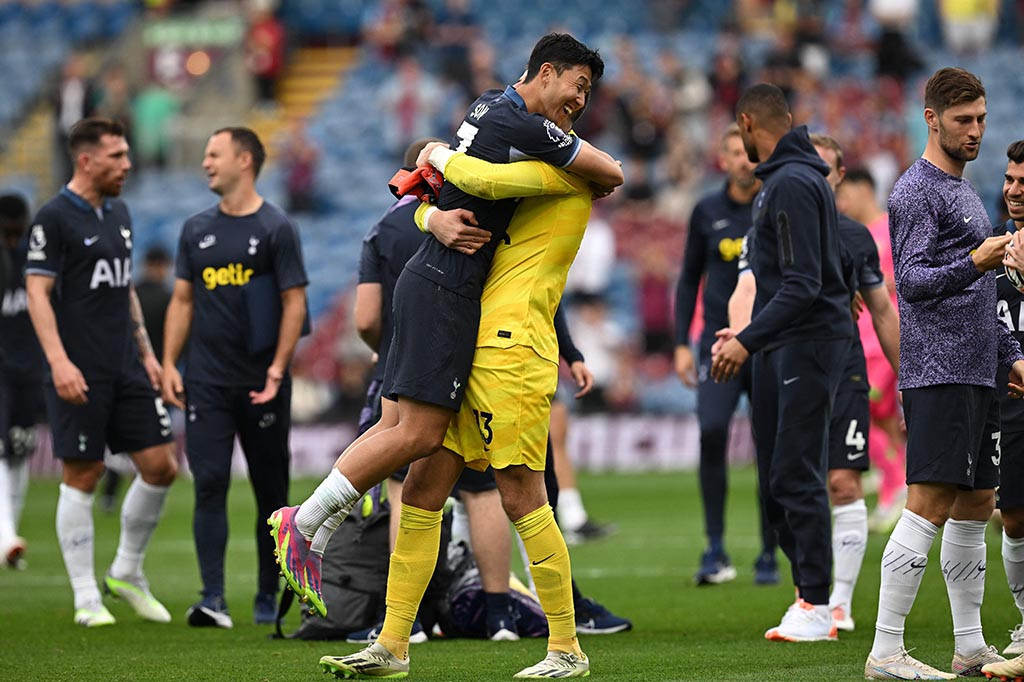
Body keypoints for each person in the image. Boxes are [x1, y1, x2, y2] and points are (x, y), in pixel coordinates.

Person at [268, 32, 621, 640]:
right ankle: (306, 523)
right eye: (577, 86)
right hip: (449, 291)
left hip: (435, 286)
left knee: (409, 446)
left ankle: (362, 595)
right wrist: (440, 167)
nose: (580, 102)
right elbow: (607, 171)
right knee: (426, 438)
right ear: (544, 72)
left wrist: (435, 166)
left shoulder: (486, 105)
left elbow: (445, 187)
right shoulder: (525, 124)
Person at [863, 67, 1024, 681]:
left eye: (981, 118)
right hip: (939, 368)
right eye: (963, 121)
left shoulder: (964, 188)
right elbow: (913, 284)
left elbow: (983, 290)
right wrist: (977, 257)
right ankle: (885, 650)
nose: (976, 130)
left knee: (976, 503)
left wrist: (1007, 352)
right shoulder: (915, 191)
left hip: (979, 368)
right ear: (931, 120)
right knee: (928, 501)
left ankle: (968, 644)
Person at [710, 84, 852, 642]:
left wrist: (747, 337)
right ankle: (809, 595)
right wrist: (751, 334)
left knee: (795, 472)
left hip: (808, 340)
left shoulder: (791, 182)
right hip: (785, 341)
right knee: (777, 477)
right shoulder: (787, 180)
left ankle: (818, 603)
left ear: (747, 123)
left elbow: (804, 284)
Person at [24, 117, 178, 627]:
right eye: (117, 156)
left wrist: (150, 356)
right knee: (83, 473)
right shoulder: (53, 218)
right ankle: (86, 596)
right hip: (78, 368)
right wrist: (59, 361)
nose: (128, 165)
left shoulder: (121, 212)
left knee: (160, 466)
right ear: (86, 159)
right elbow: (37, 293)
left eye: (127, 154)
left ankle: (127, 572)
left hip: (127, 365)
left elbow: (124, 287)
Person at [161, 127, 309, 628]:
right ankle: (213, 598)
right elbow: (182, 300)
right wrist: (168, 364)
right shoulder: (194, 229)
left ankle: (269, 592)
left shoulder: (276, 227)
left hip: (262, 383)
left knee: (271, 492)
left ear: (244, 160)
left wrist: (276, 370)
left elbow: (295, 303)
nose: (205, 163)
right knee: (209, 483)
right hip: (206, 381)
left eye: (213, 154)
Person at [673, 123, 778, 586]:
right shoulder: (706, 210)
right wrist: (680, 342)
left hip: (767, 343)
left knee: (770, 446)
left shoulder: (774, 206)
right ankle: (714, 546)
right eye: (734, 152)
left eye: (748, 152)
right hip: (716, 345)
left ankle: (771, 551)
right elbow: (687, 279)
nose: (743, 160)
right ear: (723, 159)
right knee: (712, 431)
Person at [808, 134, 901, 633]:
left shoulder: (867, 234)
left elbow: (884, 300)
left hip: (853, 358)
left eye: (829, 170)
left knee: (846, 475)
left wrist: (908, 373)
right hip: (791, 370)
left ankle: (837, 602)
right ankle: (808, 597)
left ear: (845, 179)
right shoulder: (776, 227)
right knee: (791, 491)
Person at [974, 142, 1024, 681]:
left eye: (1023, 184)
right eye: (1009, 180)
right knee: (1012, 516)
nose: (1013, 191)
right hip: (1007, 399)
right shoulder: (993, 246)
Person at [836, 167, 907, 532]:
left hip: (883, 334)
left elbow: (908, 279)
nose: (842, 200)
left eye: (847, 192)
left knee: (870, 406)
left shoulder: (890, 229)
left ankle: (895, 483)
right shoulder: (849, 233)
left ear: (865, 189)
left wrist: (877, 284)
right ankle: (896, 479)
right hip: (857, 336)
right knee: (875, 416)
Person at [100, 245, 174, 512]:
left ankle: (111, 493)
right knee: (153, 442)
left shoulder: (131, 295)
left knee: (122, 442)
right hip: (159, 373)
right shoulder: (169, 299)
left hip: (125, 371)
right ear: (163, 265)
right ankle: (143, 499)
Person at [0, 193, 45, 569]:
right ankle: (6, 535)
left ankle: (10, 539)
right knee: (0, 450)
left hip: (29, 372)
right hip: (1, 372)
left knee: (20, 451)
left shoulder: (35, 257)